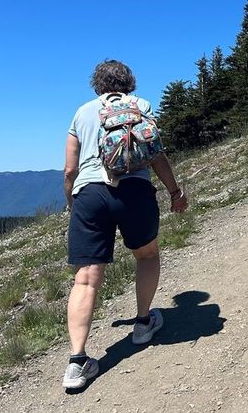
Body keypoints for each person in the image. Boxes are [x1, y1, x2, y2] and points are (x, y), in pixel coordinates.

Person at [61, 60, 188, 389]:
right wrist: (175, 191)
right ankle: (143, 324)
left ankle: (77, 363)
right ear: (128, 82)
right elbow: (156, 153)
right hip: (133, 190)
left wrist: (72, 200)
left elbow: (69, 171)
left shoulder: (81, 113)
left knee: (86, 280)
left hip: (90, 195)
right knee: (146, 255)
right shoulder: (140, 106)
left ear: (96, 84)